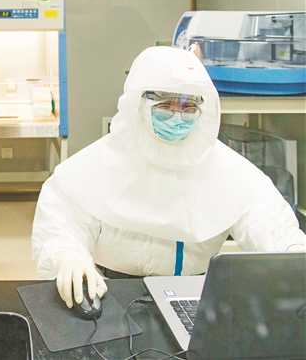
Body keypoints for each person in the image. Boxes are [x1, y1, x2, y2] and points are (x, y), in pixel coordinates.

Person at [32, 46, 306, 309]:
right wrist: (68, 256)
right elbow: (61, 225)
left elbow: (270, 223)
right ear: (138, 103)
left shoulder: (227, 170)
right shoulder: (96, 165)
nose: (177, 117)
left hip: (196, 297)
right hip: (108, 291)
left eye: (188, 107)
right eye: (166, 105)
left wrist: (294, 253)